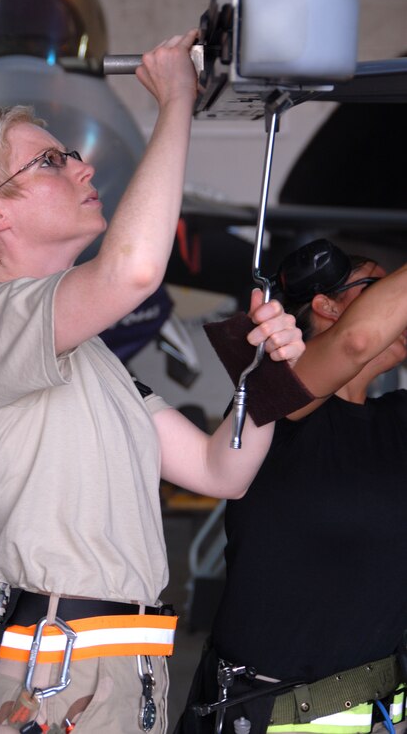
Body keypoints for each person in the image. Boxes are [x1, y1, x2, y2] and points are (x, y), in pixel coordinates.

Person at [0, 30, 305, 734]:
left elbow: (222, 469)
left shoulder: (90, 359)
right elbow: (132, 270)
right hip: (46, 683)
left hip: (122, 676)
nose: (82, 166)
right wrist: (175, 103)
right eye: (50, 160)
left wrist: (268, 374)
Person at [174, 238, 407, 734]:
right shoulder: (271, 400)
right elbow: (355, 341)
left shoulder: (398, 420)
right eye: (384, 288)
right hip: (264, 713)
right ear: (324, 306)